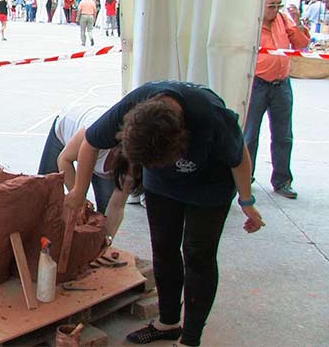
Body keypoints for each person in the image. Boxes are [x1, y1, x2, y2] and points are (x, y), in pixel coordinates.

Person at [66, 80, 264, 346]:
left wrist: (246, 201)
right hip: (162, 185)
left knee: (197, 255)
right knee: (163, 246)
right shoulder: (136, 103)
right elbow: (90, 142)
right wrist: (79, 190)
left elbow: (239, 158)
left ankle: (190, 339)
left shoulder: (210, 115)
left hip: (210, 185)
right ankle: (168, 322)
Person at [37, 103, 141, 239]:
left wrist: (106, 241)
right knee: (45, 193)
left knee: (102, 216)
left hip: (98, 152)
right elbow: (64, 159)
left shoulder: (134, 165)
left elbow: (117, 207)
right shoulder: (98, 134)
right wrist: (79, 196)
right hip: (66, 131)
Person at [244, 0, 309, 200]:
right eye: (271, 6)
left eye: (278, 5)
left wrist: (297, 21)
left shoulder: (283, 19)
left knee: (283, 135)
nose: (275, 9)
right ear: (260, 6)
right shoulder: (251, 23)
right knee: (250, 135)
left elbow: (302, 43)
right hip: (258, 84)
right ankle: (245, 177)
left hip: (281, 85)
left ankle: (282, 180)